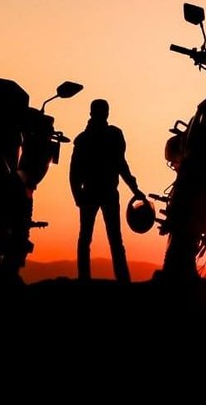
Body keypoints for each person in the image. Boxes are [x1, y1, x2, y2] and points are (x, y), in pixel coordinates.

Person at [69, 98, 145, 282]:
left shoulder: (86, 139)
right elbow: (121, 166)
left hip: (96, 193)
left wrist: (134, 189)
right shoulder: (108, 136)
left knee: (92, 239)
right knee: (108, 239)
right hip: (101, 193)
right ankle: (120, 280)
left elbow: (75, 172)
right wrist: (78, 196)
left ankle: (89, 279)